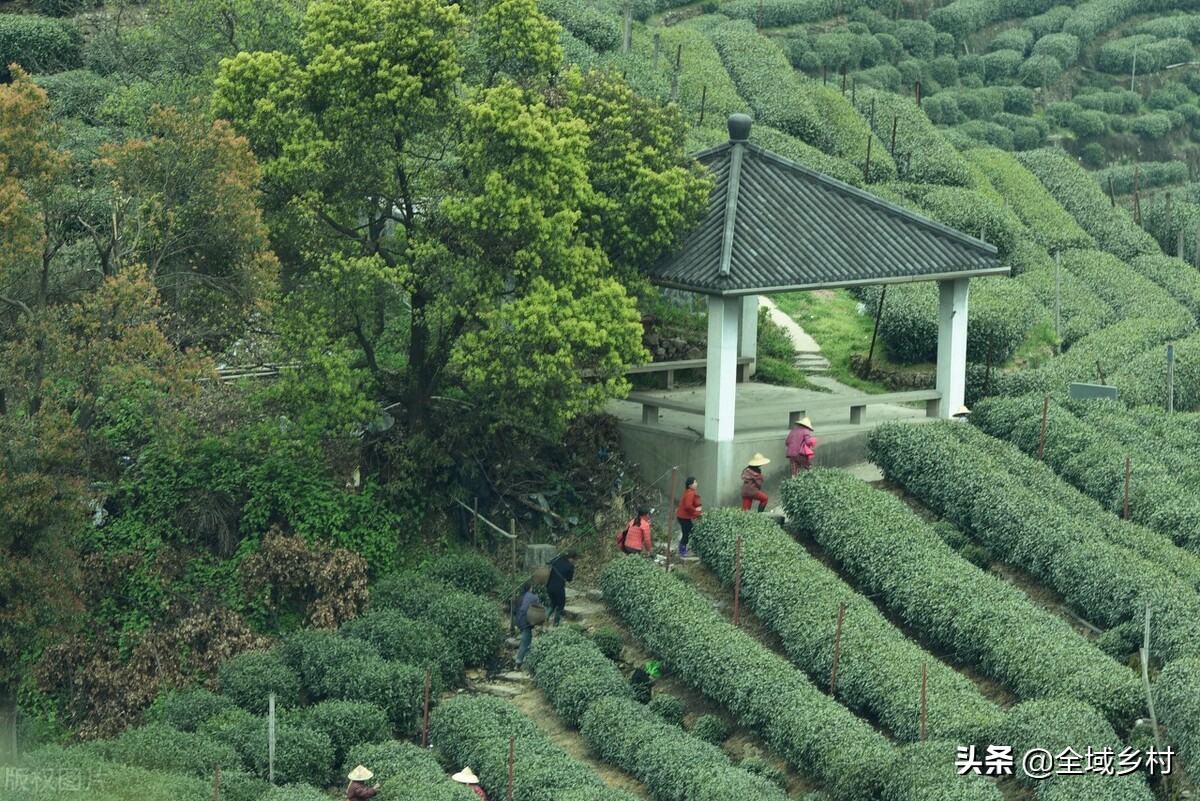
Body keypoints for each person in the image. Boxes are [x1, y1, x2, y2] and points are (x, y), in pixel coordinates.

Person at [513, 580, 542, 669]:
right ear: (530, 588)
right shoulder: (534, 597)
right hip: (526, 621)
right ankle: (518, 662)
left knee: (528, 639)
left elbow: (514, 611)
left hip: (518, 621)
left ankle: (528, 659)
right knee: (525, 642)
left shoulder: (520, 596)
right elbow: (537, 609)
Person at [546, 549, 578, 626]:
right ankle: (556, 623)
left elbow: (549, 562)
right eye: (574, 559)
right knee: (561, 605)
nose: (574, 561)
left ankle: (545, 618)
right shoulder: (570, 566)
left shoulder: (558, 558)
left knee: (553, 603)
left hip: (549, 586)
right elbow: (569, 579)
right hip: (558, 588)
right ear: (571, 558)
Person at [675, 477, 702, 558]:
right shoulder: (690, 493)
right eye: (695, 482)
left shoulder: (689, 492)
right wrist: (696, 511)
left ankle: (683, 550)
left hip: (683, 516)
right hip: (683, 517)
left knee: (689, 532)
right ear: (690, 485)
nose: (696, 484)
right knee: (687, 533)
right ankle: (682, 552)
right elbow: (688, 506)